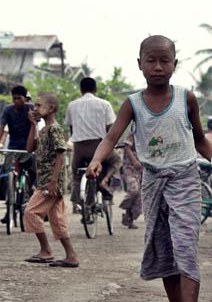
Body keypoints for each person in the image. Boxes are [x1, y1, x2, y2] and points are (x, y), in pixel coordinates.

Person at [86, 35, 212, 302]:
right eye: (150, 61)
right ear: (139, 64)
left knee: (185, 245)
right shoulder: (133, 103)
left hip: (185, 179)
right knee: (164, 248)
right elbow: (112, 137)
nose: (157, 67)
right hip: (153, 182)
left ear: (174, 65)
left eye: (164, 61)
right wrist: (98, 159)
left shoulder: (185, 98)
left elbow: (200, 139)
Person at [23, 93, 79, 268]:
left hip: (50, 181)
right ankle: (71, 256)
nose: (35, 109)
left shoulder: (54, 129)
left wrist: (54, 181)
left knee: (31, 212)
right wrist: (33, 124)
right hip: (46, 180)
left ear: (51, 108)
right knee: (57, 219)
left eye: (39, 106)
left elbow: (60, 154)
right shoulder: (43, 129)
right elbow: (30, 148)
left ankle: (46, 250)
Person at [65, 77, 121, 211]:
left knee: (77, 174)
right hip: (98, 147)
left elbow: (71, 128)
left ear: (80, 90)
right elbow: (110, 129)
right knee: (116, 160)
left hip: (79, 148)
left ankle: (78, 202)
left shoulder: (72, 105)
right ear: (95, 89)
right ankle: (104, 181)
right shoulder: (104, 104)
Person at [0, 85, 36, 223]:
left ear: (24, 99)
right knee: (6, 173)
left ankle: (31, 192)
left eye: (19, 98)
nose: (16, 101)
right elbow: (2, 127)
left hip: (28, 147)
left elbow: (37, 127)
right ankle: (9, 204)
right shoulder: (8, 110)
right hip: (13, 147)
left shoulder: (31, 109)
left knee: (33, 170)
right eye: (14, 98)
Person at [119, 133, 142, 229]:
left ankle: (130, 218)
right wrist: (135, 161)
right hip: (130, 167)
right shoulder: (134, 132)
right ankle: (127, 211)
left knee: (140, 196)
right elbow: (127, 147)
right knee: (134, 190)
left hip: (145, 167)